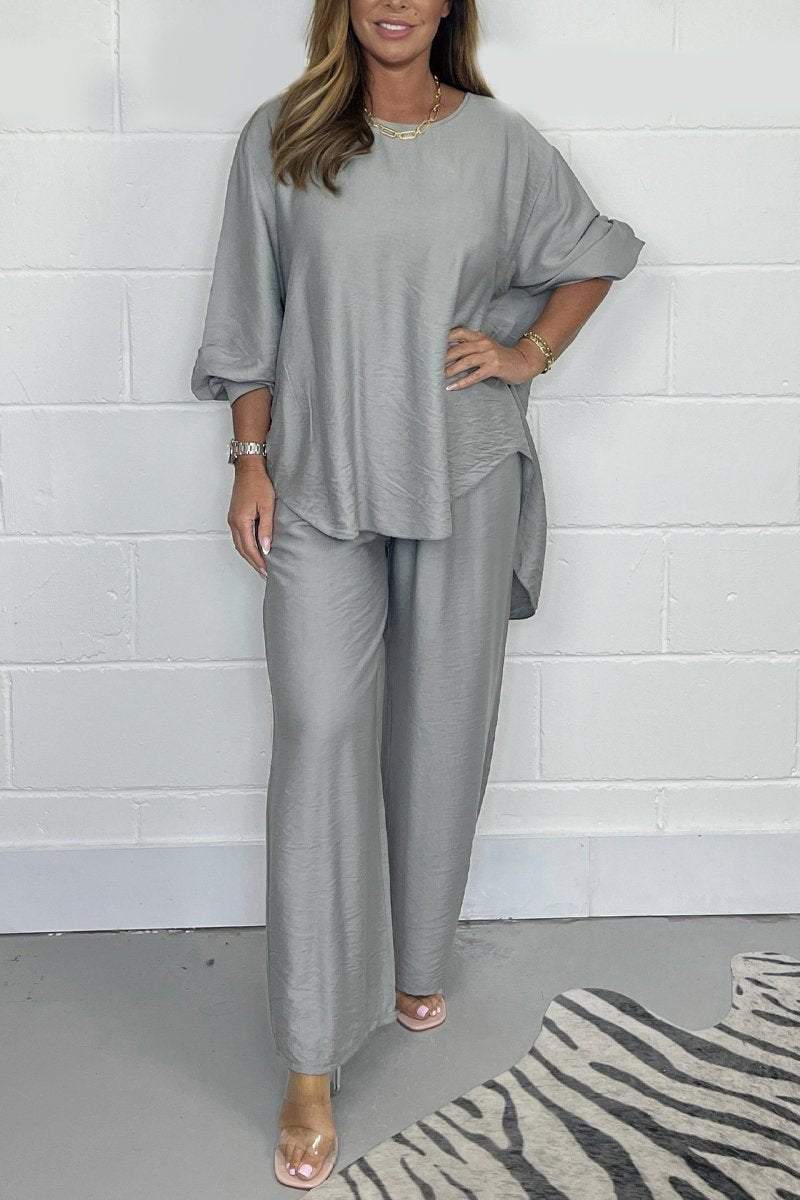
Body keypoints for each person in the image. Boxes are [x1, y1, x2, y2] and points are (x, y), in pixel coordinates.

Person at [191, 0, 644, 1188]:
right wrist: (248, 459)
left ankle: (416, 956)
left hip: (461, 463)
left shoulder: (501, 143)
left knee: (441, 724)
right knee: (318, 736)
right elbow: (248, 318)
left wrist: (528, 351)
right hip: (316, 479)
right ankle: (308, 1058)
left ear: (447, 4)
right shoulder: (282, 136)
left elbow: (594, 252)